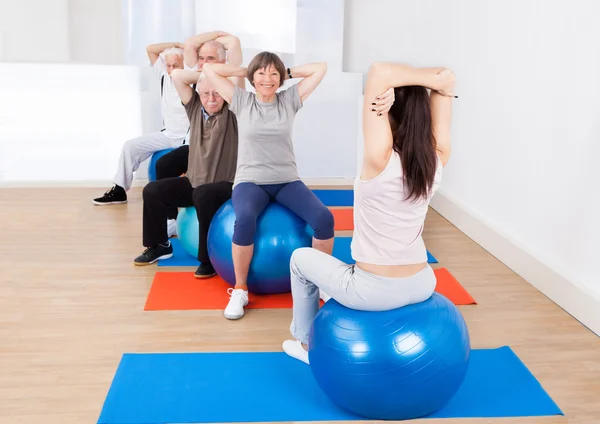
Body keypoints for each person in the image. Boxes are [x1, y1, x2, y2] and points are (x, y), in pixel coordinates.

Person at [281, 62, 457, 364]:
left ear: (387, 110)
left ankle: (307, 345)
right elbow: (448, 81)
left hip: (373, 291)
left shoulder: (380, 159)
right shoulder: (436, 160)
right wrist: (432, 83)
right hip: (422, 281)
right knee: (338, 271)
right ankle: (332, 292)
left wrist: (398, 88)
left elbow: (378, 71)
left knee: (300, 260)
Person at [203, 52, 334, 320]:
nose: (268, 79)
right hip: (250, 181)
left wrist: (285, 71)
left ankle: (320, 283)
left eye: (274, 74)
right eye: (261, 74)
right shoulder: (241, 100)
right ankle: (240, 289)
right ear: (252, 78)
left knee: (324, 219)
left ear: (281, 78)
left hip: (286, 180)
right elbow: (210, 70)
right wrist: (247, 71)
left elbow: (320, 68)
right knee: (245, 219)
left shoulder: (289, 100)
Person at [133, 35, 244, 280]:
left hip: (226, 186)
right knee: (152, 191)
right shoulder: (195, 106)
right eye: (205, 93)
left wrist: (213, 78)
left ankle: (208, 259)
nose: (211, 98)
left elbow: (235, 68)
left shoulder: (234, 109)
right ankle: (159, 245)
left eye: (216, 93)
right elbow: (177, 76)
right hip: (194, 183)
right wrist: (206, 78)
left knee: (202, 194)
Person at [93, 43, 189, 209]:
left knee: (166, 165)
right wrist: (177, 45)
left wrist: (186, 49)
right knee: (130, 147)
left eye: (176, 65)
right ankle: (119, 190)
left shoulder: (190, 79)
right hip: (168, 135)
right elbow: (151, 49)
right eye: (169, 65)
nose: (172, 69)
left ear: (184, 64)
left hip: (189, 139)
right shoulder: (164, 75)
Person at [152, 31, 238, 189]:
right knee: (163, 165)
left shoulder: (230, 85)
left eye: (210, 58)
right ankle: (171, 214)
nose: (204, 63)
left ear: (223, 61)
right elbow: (189, 47)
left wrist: (214, 72)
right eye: (201, 58)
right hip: (195, 145)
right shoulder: (195, 77)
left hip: (220, 149)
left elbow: (233, 42)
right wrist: (215, 35)